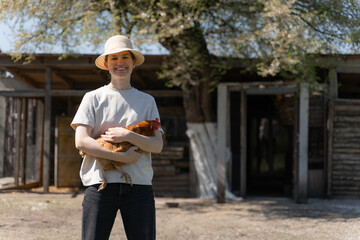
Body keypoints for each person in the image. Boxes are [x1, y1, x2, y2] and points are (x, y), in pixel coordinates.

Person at [71, 35, 163, 240]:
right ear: (106, 64)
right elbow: (81, 141)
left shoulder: (147, 101)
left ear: (133, 63)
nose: (119, 62)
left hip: (139, 185)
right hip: (100, 184)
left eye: (125, 57)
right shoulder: (93, 97)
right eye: (113, 58)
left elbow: (157, 145)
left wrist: (127, 134)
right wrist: (123, 158)